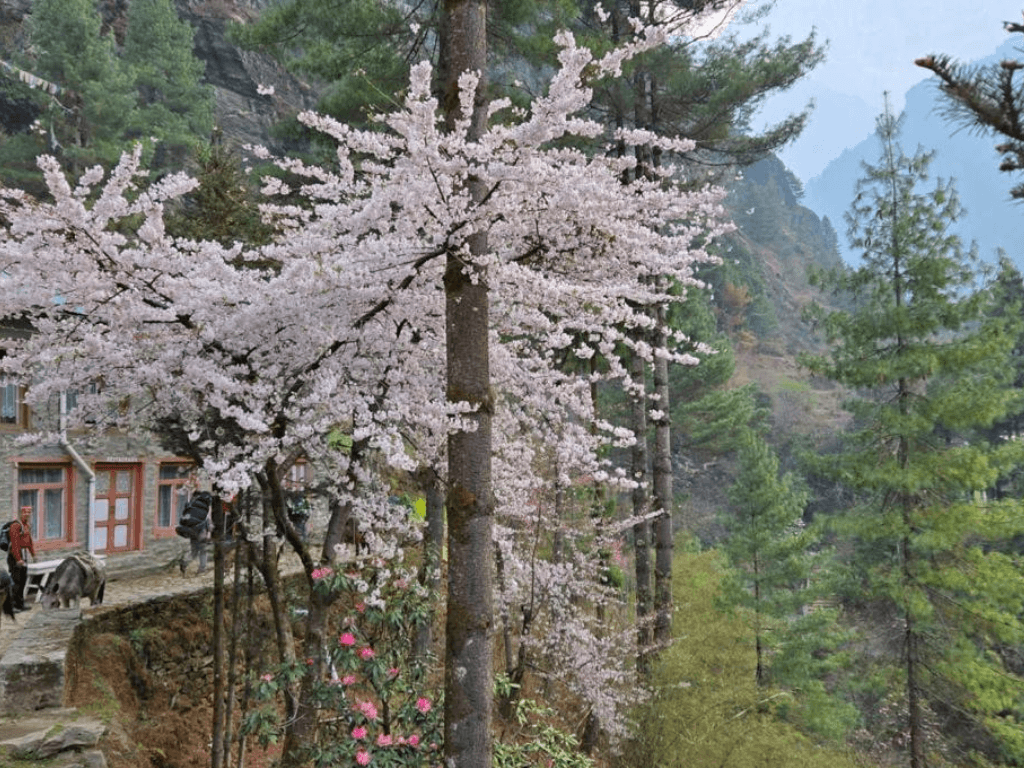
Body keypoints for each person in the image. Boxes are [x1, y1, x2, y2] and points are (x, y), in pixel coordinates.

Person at [8, 505, 36, 611]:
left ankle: (20, 603)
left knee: (23, 581)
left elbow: (29, 542)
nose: (27, 514)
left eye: (29, 512)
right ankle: (11, 605)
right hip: (15, 556)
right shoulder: (15, 526)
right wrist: (18, 559)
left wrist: (33, 554)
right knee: (16, 581)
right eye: (25, 512)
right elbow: (15, 544)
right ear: (21, 513)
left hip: (23, 555)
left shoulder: (26, 525)